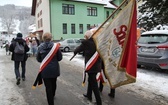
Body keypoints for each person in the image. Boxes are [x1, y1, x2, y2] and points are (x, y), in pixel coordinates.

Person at [74, 30, 102, 105]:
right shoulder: (97, 42)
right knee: (91, 80)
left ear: (86, 37)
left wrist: (75, 51)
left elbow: (77, 49)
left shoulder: (86, 43)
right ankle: (89, 95)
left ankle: (99, 102)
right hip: (96, 66)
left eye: (85, 36)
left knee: (94, 84)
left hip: (91, 66)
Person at [36, 32, 62, 105]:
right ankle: (53, 95)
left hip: (45, 70)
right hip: (54, 69)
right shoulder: (56, 47)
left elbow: (38, 59)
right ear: (51, 38)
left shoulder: (40, 47)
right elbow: (60, 58)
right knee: (54, 83)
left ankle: (50, 102)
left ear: (43, 38)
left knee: (48, 87)